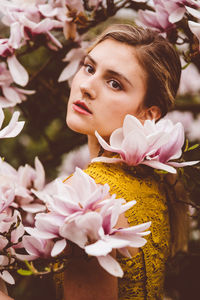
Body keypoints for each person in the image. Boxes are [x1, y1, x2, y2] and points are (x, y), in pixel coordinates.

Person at [54, 23, 186, 300]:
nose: (87, 86)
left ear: (148, 115)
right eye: (89, 68)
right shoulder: (153, 181)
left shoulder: (88, 196)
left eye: (115, 83)